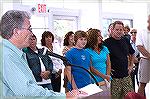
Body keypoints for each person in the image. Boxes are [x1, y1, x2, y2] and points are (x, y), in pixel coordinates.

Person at [0, 10, 73, 97]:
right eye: (29, 29)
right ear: (16, 32)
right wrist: (66, 96)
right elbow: (27, 92)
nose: (32, 34)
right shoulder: (7, 56)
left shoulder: (13, 53)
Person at [104, 21, 135, 99]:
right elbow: (102, 58)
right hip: (114, 78)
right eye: (117, 29)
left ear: (123, 30)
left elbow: (132, 53)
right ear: (113, 30)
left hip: (126, 76)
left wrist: (131, 65)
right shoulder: (106, 43)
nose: (119, 31)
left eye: (120, 30)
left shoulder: (125, 40)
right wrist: (108, 68)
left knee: (130, 97)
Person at [136, 15, 150, 96]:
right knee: (142, 84)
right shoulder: (142, 31)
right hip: (146, 60)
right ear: (148, 21)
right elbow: (139, 46)